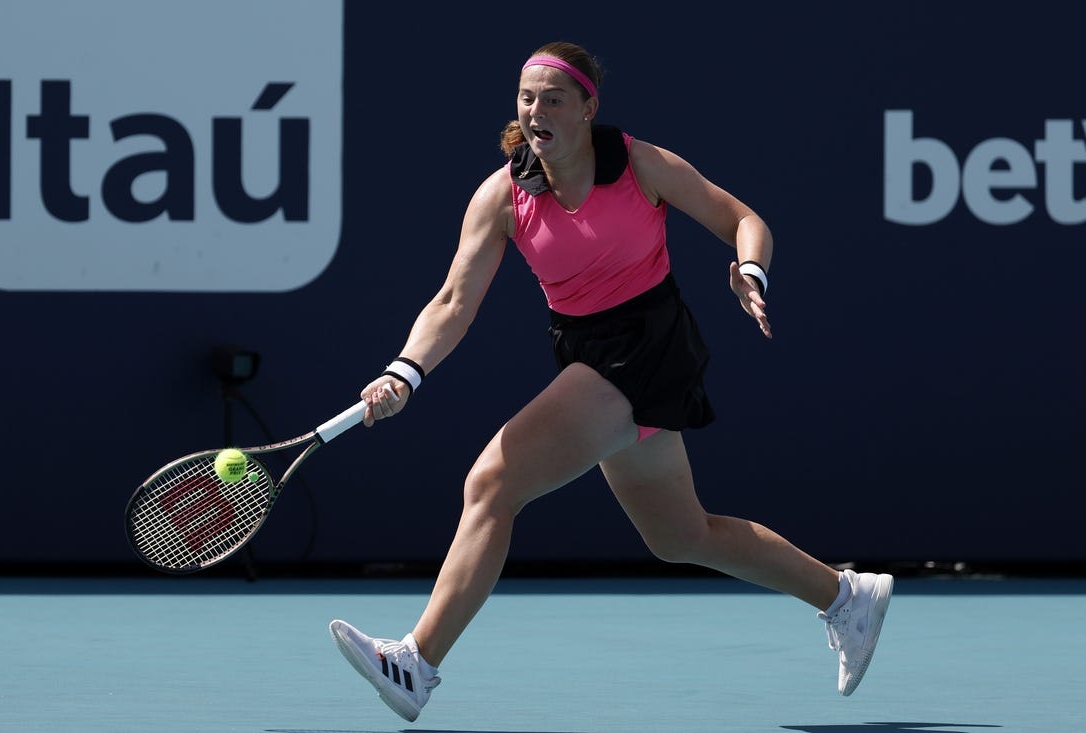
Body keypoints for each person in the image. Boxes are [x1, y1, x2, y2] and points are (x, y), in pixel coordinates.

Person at [328, 41, 892, 722]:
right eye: (526, 98)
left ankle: (417, 661)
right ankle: (845, 596)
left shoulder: (640, 164)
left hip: (647, 347)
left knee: (491, 484)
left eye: (554, 99)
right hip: (588, 353)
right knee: (681, 535)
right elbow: (452, 302)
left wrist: (750, 270)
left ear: (588, 108)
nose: (536, 111)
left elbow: (743, 220)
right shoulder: (502, 196)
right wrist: (404, 370)